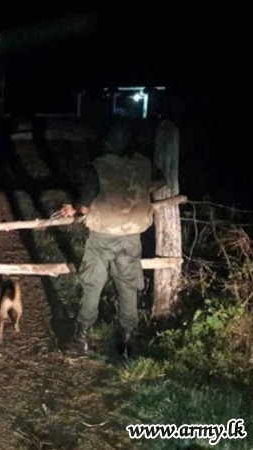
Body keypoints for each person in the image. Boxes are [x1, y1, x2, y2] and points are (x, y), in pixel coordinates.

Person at [62, 119, 165, 356]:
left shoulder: (99, 166)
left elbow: (84, 208)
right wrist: (138, 191)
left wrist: (72, 210)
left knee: (93, 284)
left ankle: (81, 338)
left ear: (106, 142)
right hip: (131, 236)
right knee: (128, 285)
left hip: (102, 236)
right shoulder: (143, 162)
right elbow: (161, 181)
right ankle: (127, 339)